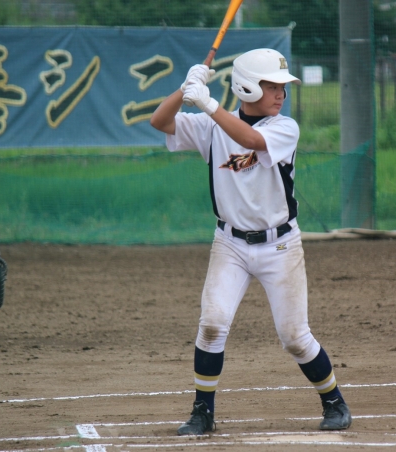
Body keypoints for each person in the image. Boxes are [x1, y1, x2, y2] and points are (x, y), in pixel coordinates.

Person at [150, 48, 352, 435]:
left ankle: (335, 402)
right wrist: (184, 89)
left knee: (295, 337)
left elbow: (250, 139)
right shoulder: (211, 128)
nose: (281, 94)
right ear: (246, 87)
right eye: (272, 86)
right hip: (230, 244)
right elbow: (160, 121)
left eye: (282, 87)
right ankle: (202, 413)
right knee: (212, 324)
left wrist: (207, 103)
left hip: (280, 246)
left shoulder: (284, 127)